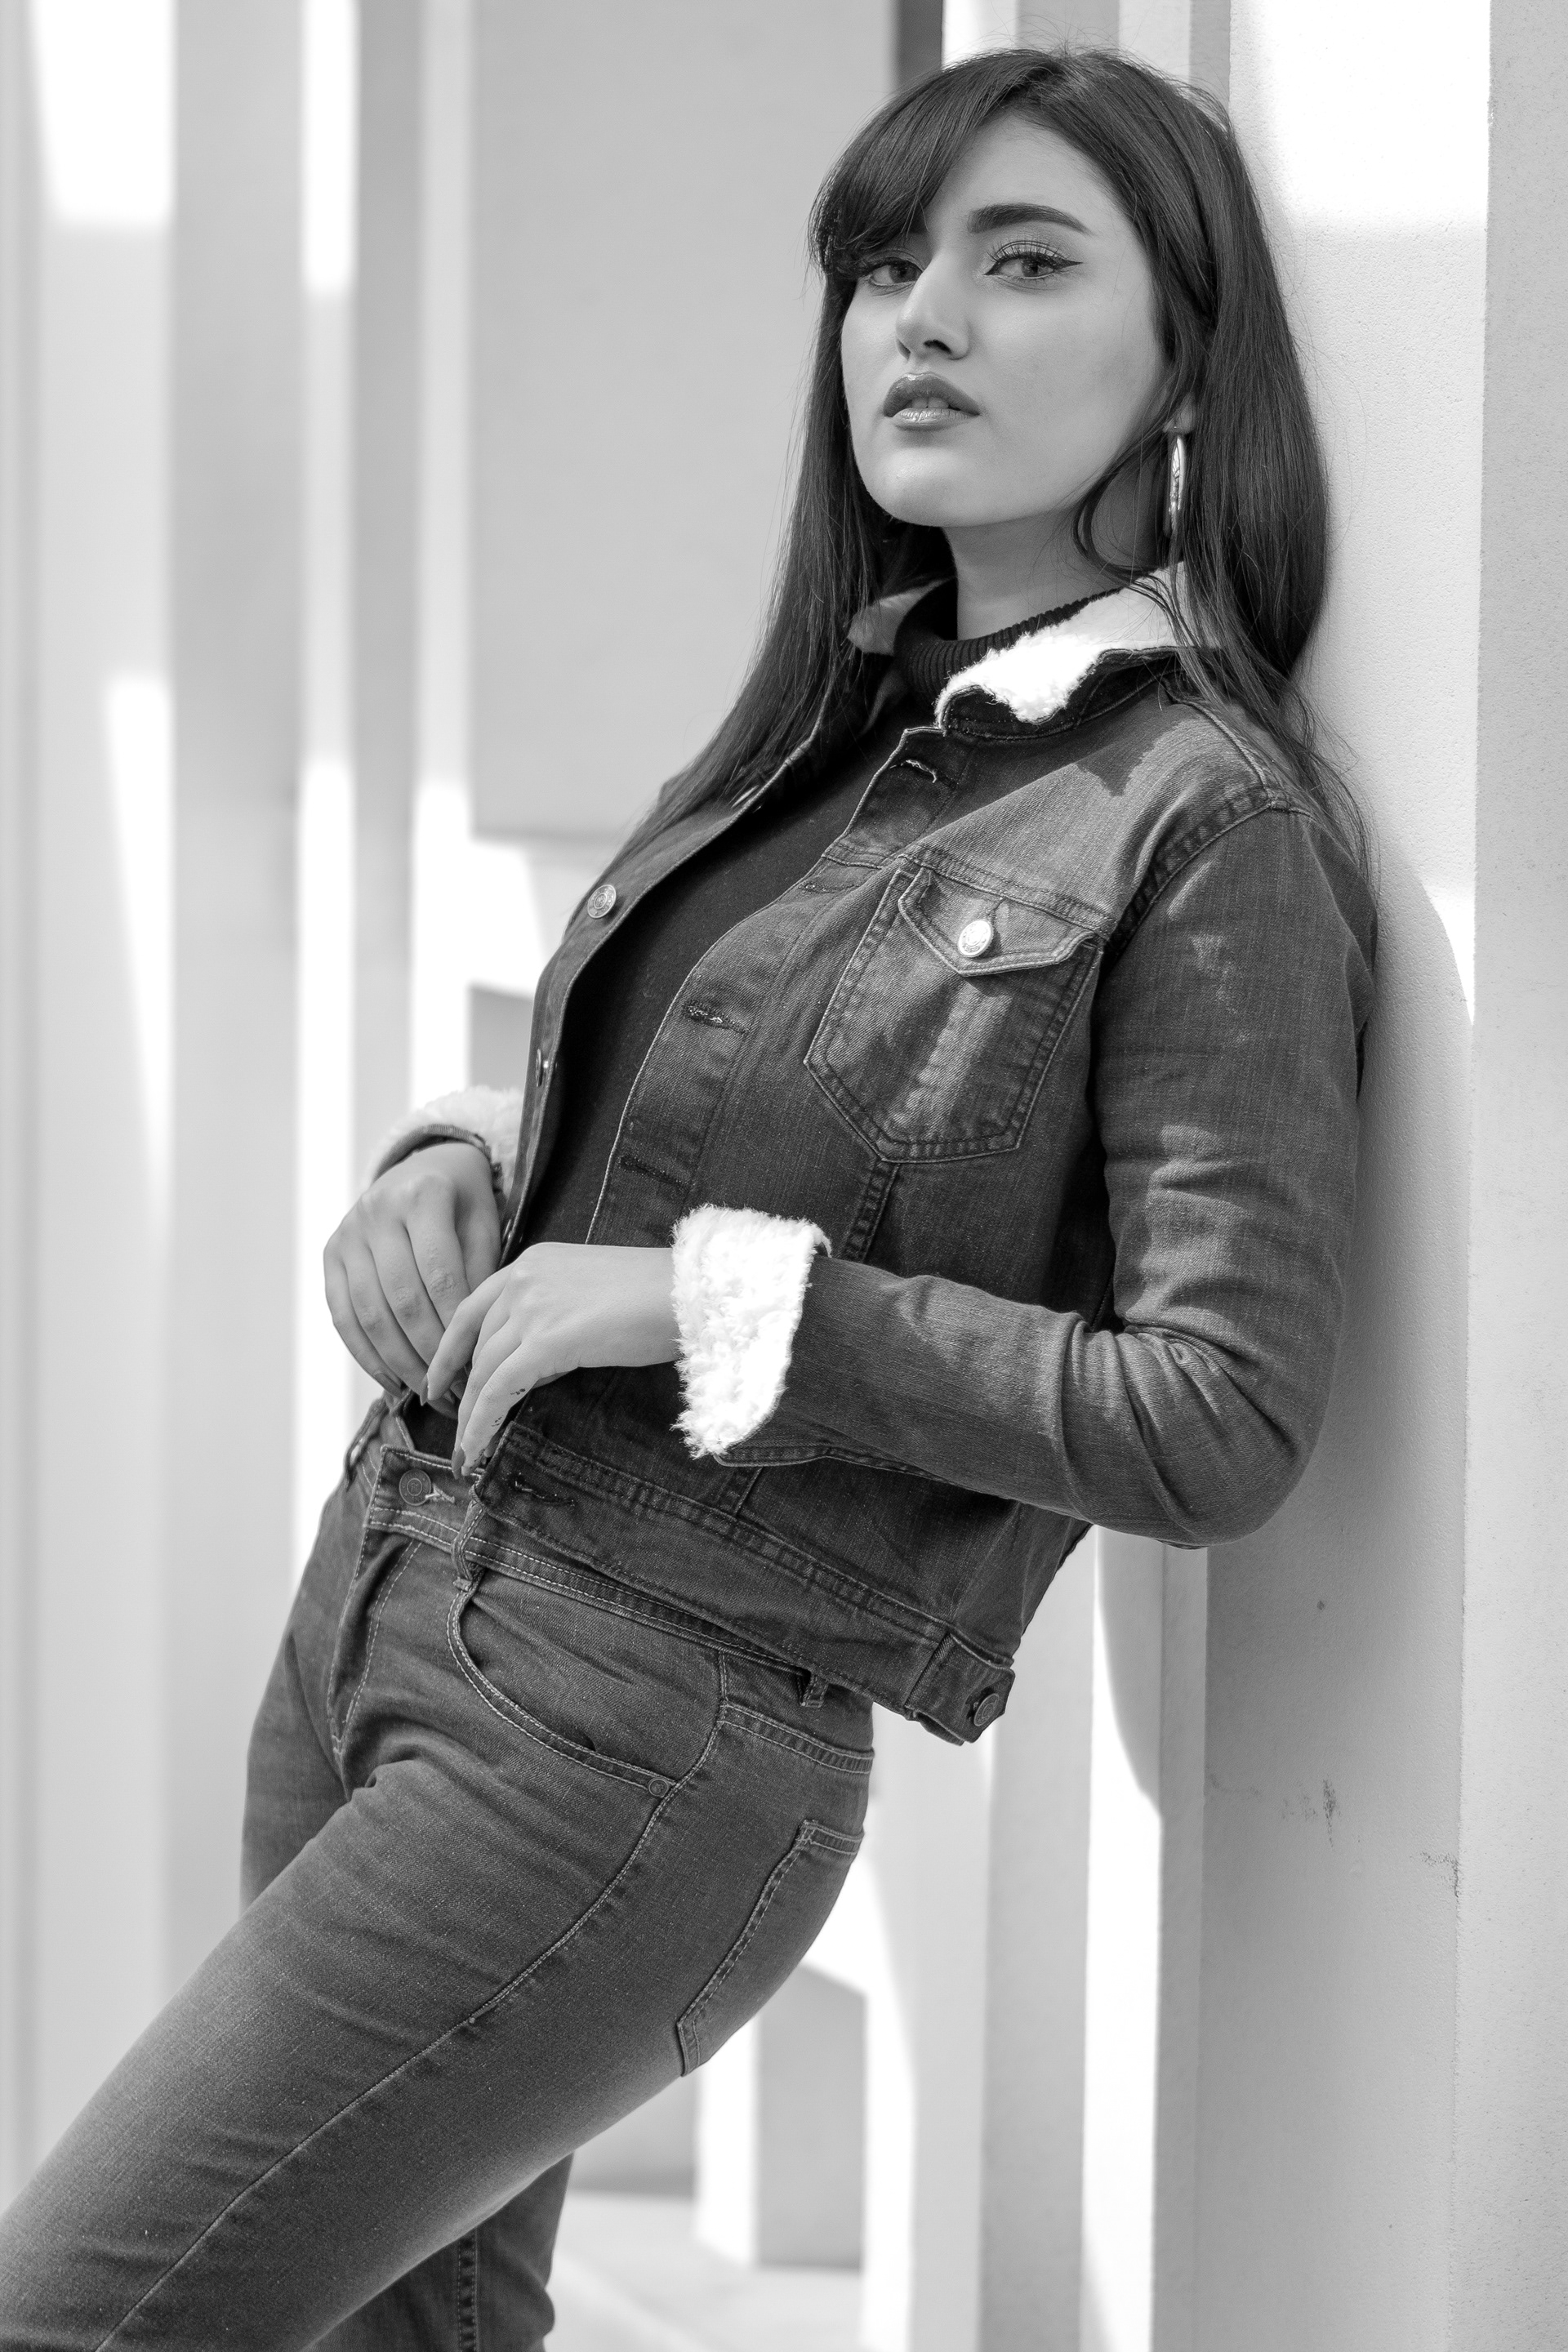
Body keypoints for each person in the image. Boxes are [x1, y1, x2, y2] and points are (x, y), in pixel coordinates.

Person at [0, 44, 1374, 2349]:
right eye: (887, 265)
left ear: (1184, 369)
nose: (924, 318)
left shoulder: (1203, 821)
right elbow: (721, 1097)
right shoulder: (837, 720)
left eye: (1025, 263)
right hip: (388, 1595)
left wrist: (703, 1302)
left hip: (631, 1746)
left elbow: (1217, 1412)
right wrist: (455, 1171)